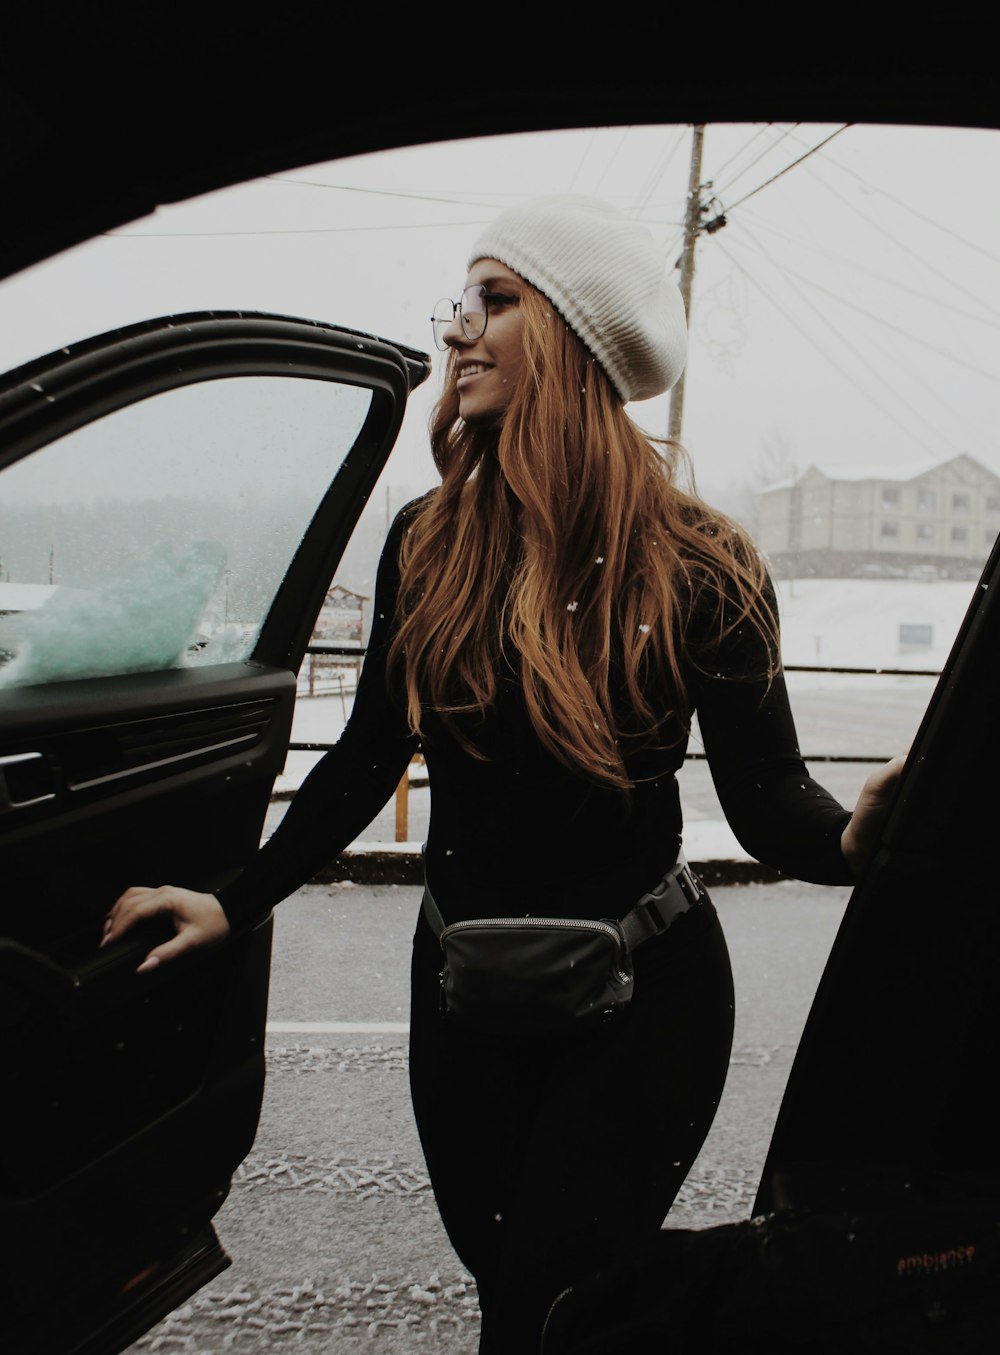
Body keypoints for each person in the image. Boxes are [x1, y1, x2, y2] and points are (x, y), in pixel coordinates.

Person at [103, 195, 903, 1353]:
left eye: (496, 298)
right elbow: (366, 753)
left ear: (573, 338)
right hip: (462, 994)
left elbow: (770, 799)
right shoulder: (428, 539)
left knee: (551, 1294)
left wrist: (855, 843)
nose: (457, 329)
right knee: (511, 1289)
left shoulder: (700, 561)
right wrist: (235, 896)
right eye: (460, 300)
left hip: (643, 1001)